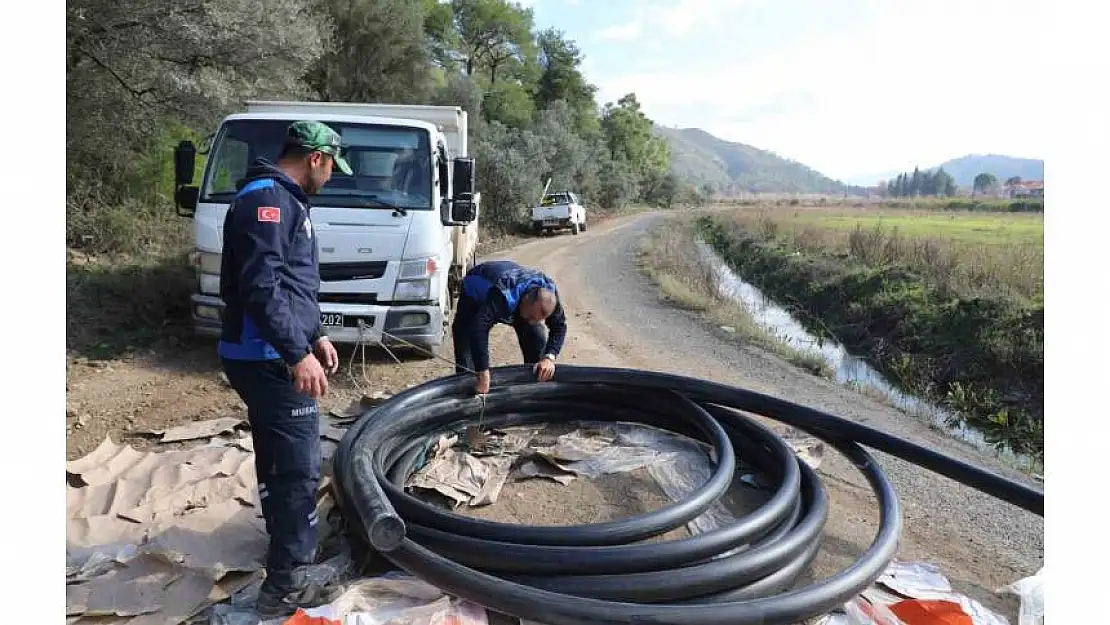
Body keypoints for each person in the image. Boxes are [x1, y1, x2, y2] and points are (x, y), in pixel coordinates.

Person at [216, 120, 353, 618]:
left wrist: (313, 333)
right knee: (296, 467)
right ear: (315, 157)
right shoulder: (266, 201)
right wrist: (297, 354)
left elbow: (292, 285)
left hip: (274, 349)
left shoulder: (285, 199)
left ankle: (284, 551)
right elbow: (261, 286)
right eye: (333, 166)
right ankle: (288, 584)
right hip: (267, 357)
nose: (333, 176)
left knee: (279, 457)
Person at [452, 260, 568, 394]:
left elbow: (559, 326)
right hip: (475, 294)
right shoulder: (503, 294)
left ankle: (534, 394)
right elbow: (479, 327)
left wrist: (549, 357)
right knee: (469, 360)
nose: (532, 321)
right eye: (531, 317)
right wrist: (482, 371)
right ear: (524, 300)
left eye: (538, 319)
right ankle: (468, 399)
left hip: (517, 298)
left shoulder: (549, 298)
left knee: (535, 334)